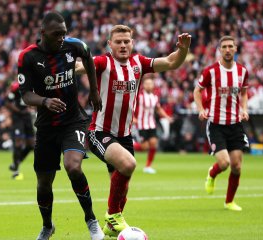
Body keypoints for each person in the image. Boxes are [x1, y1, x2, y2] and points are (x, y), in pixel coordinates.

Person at [76, 25, 191, 237]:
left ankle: (111, 226)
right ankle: (112, 216)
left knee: (122, 188)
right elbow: (81, 66)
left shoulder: (139, 63)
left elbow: (172, 61)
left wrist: (183, 49)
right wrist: (61, 65)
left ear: (132, 43)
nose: (122, 45)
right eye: (118, 41)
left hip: (125, 135)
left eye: (126, 41)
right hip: (99, 132)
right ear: (109, 44)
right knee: (128, 164)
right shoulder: (103, 62)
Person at [18, 12, 104, 240]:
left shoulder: (74, 46)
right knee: (43, 183)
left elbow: (88, 57)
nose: (62, 38)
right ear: (43, 33)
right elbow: (25, 95)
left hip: (73, 120)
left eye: (64, 33)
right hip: (46, 127)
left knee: (73, 167)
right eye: (57, 34)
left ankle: (91, 220)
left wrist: (94, 90)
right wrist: (45, 101)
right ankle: (47, 226)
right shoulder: (27, 57)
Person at [193, 35, 250, 211]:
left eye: (230, 46)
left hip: (235, 124)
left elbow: (244, 93)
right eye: (224, 46)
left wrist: (244, 109)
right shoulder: (210, 71)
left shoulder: (242, 71)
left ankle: (229, 201)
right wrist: (201, 109)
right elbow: (197, 91)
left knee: (237, 166)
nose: (227, 49)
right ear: (220, 49)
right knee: (224, 163)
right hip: (216, 123)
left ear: (235, 49)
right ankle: (212, 173)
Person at [133, 77, 173, 174]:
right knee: (144, 147)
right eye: (147, 84)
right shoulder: (139, 96)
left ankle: (148, 166)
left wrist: (167, 117)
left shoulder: (155, 96)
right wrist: (133, 118)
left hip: (151, 124)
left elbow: (158, 109)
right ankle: (131, 145)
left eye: (151, 84)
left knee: (154, 143)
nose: (149, 85)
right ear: (143, 85)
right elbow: (131, 106)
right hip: (141, 125)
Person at [5, 81, 34, 180]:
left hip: (27, 117)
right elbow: (8, 103)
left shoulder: (31, 86)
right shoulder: (16, 86)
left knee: (31, 145)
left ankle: (17, 162)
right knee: (18, 142)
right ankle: (16, 170)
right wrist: (19, 111)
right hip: (18, 118)